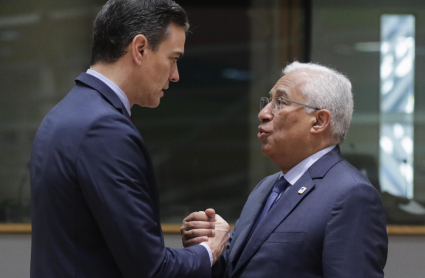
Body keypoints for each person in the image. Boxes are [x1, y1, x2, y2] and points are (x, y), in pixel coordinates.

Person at [30, 1, 229, 277]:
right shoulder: (104, 129)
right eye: (173, 59)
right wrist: (210, 249)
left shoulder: (64, 113)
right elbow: (151, 270)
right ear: (140, 49)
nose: (175, 75)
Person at [181, 61, 388, 278]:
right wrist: (209, 247)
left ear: (318, 121)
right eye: (268, 101)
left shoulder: (351, 195)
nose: (263, 113)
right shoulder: (267, 187)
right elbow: (237, 270)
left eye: (280, 102)